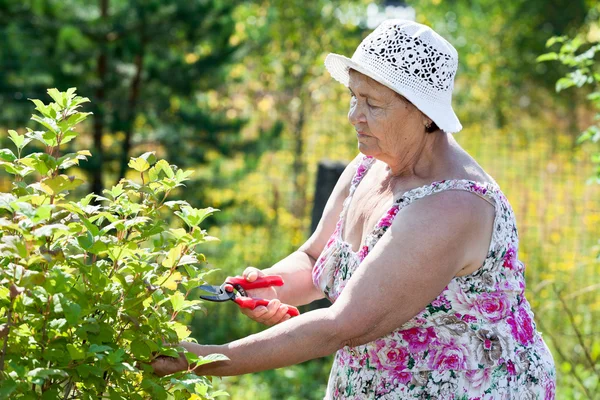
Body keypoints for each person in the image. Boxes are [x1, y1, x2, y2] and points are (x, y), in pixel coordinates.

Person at [152, 19, 556, 399]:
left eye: (372, 104)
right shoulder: (372, 163)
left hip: (468, 386)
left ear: (424, 115)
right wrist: (270, 283)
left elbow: (340, 325)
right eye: (353, 97)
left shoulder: (452, 205)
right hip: (379, 379)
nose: (353, 117)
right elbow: (315, 259)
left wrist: (201, 358)